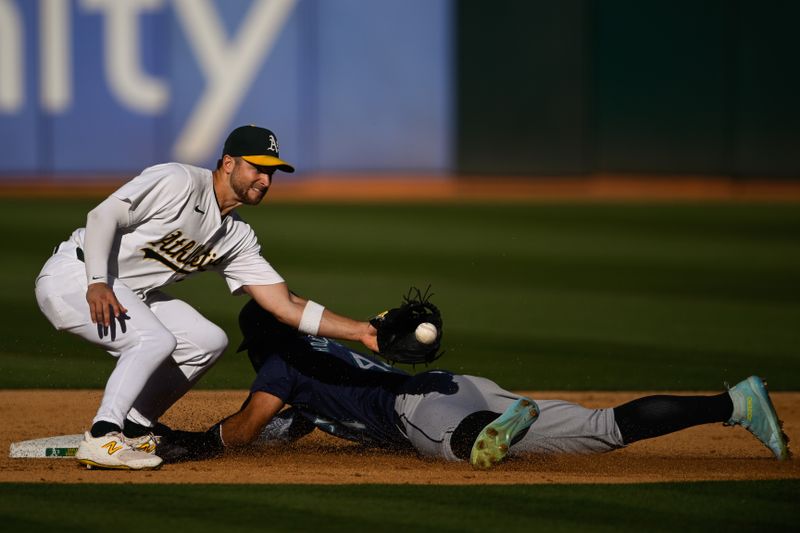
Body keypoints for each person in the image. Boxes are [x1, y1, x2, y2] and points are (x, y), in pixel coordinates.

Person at [34, 125, 379, 470]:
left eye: (271, 172)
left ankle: (134, 427)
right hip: (73, 276)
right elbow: (102, 215)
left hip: (126, 291)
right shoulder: (178, 181)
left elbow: (285, 305)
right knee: (155, 339)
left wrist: (362, 331)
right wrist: (97, 281)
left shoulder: (236, 235)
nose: (266, 180)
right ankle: (103, 435)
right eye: (257, 168)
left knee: (208, 341)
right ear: (228, 163)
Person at [155, 300, 791, 467]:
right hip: (457, 383)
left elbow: (244, 430)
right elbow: (290, 425)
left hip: (420, 411)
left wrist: (189, 443)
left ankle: (491, 434)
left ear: (260, 340)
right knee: (604, 428)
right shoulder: (317, 351)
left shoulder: (280, 366)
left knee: (469, 451)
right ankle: (733, 403)